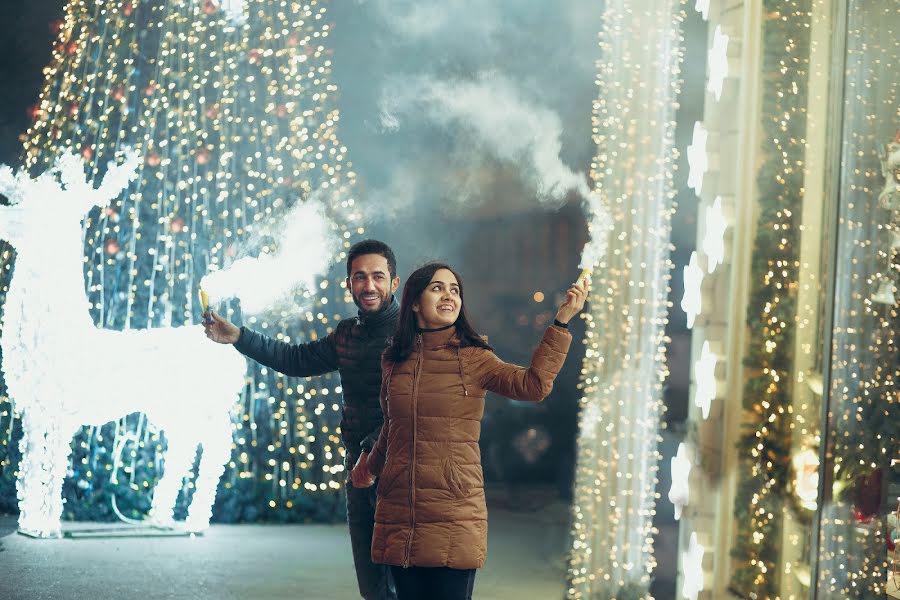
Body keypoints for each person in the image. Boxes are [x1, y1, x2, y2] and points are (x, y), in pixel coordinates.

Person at [350, 262, 588, 600]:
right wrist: (370, 467)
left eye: (455, 290)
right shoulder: (394, 360)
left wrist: (561, 322)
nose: (449, 295)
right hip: (401, 514)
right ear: (415, 302)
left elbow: (533, 385)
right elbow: (393, 426)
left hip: (453, 512)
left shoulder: (474, 358)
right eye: (437, 288)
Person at [203, 239, 400, 600]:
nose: (369, 286)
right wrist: (239, 337)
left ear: (394, 283)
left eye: (377, 276)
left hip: (402, 470)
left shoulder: (412, 335)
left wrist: (373, 451)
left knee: (406, 581)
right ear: (349, 284)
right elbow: (295, 360)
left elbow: (412, 409)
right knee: (373, 587)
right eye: (360, 277)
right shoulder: (347, 334)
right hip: (358, 469)